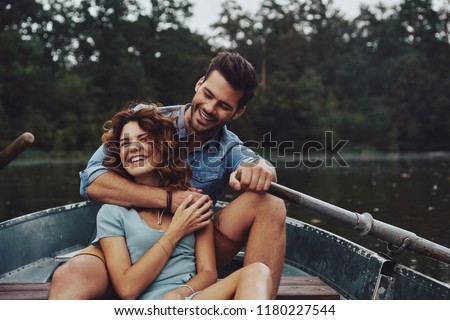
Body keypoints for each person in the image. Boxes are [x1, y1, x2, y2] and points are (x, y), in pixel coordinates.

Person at [49, 51, 286, 300]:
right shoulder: (149, 122)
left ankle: (261, 305)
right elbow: (92, 181)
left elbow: (254, 161)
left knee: (270, 202)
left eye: (224, 106)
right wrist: (170, 200)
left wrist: (263, 168)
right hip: (125, 244)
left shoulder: (230, 148)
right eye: (207, 94)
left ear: (237, 112)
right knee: (71, 275)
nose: (209, 108)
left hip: (190, 247)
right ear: (199, 84)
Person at [93, 105, 272, 299]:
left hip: (191, 300)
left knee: (258, 271)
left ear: (163, 147)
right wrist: (176, 231)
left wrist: (180, 293)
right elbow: (127, 289)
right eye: (125, 143)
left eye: (144, 139)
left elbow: (208, 273)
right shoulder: (111, 213)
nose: (133, 148)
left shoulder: (192, 203)